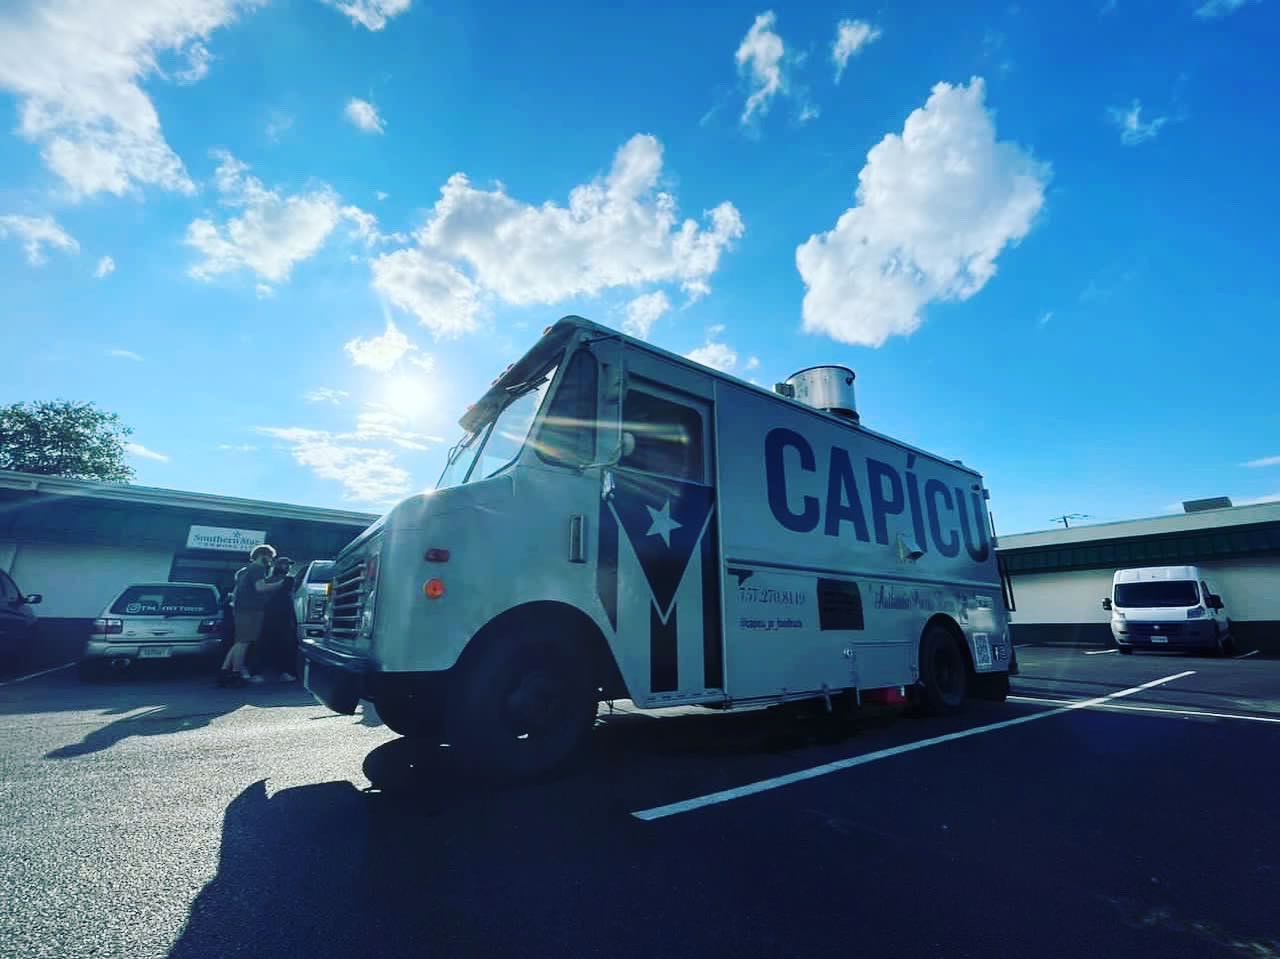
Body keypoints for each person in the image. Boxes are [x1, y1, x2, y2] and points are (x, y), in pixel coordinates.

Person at [218, 544, 287, 687]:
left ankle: (224, 672)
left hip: (241, 609)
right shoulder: (258, 568)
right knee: (244, 642)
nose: (271, 561)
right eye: (270, 557)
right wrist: (281, 584)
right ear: (263, 555)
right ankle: (236, 674)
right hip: (250, 610)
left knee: (239, 642)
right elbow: (260, 587)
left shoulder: (247, 570)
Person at [258, 556, 299, 682]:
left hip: (267, 616)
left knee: (264, 645)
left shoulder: (267, 580)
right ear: (279, 566)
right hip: (284, 617)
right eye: (285, 564)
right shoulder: (289, 580)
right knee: (287, 645)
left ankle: (258, 673)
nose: (288, 567)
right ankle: (286, 672)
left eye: (288, 565)